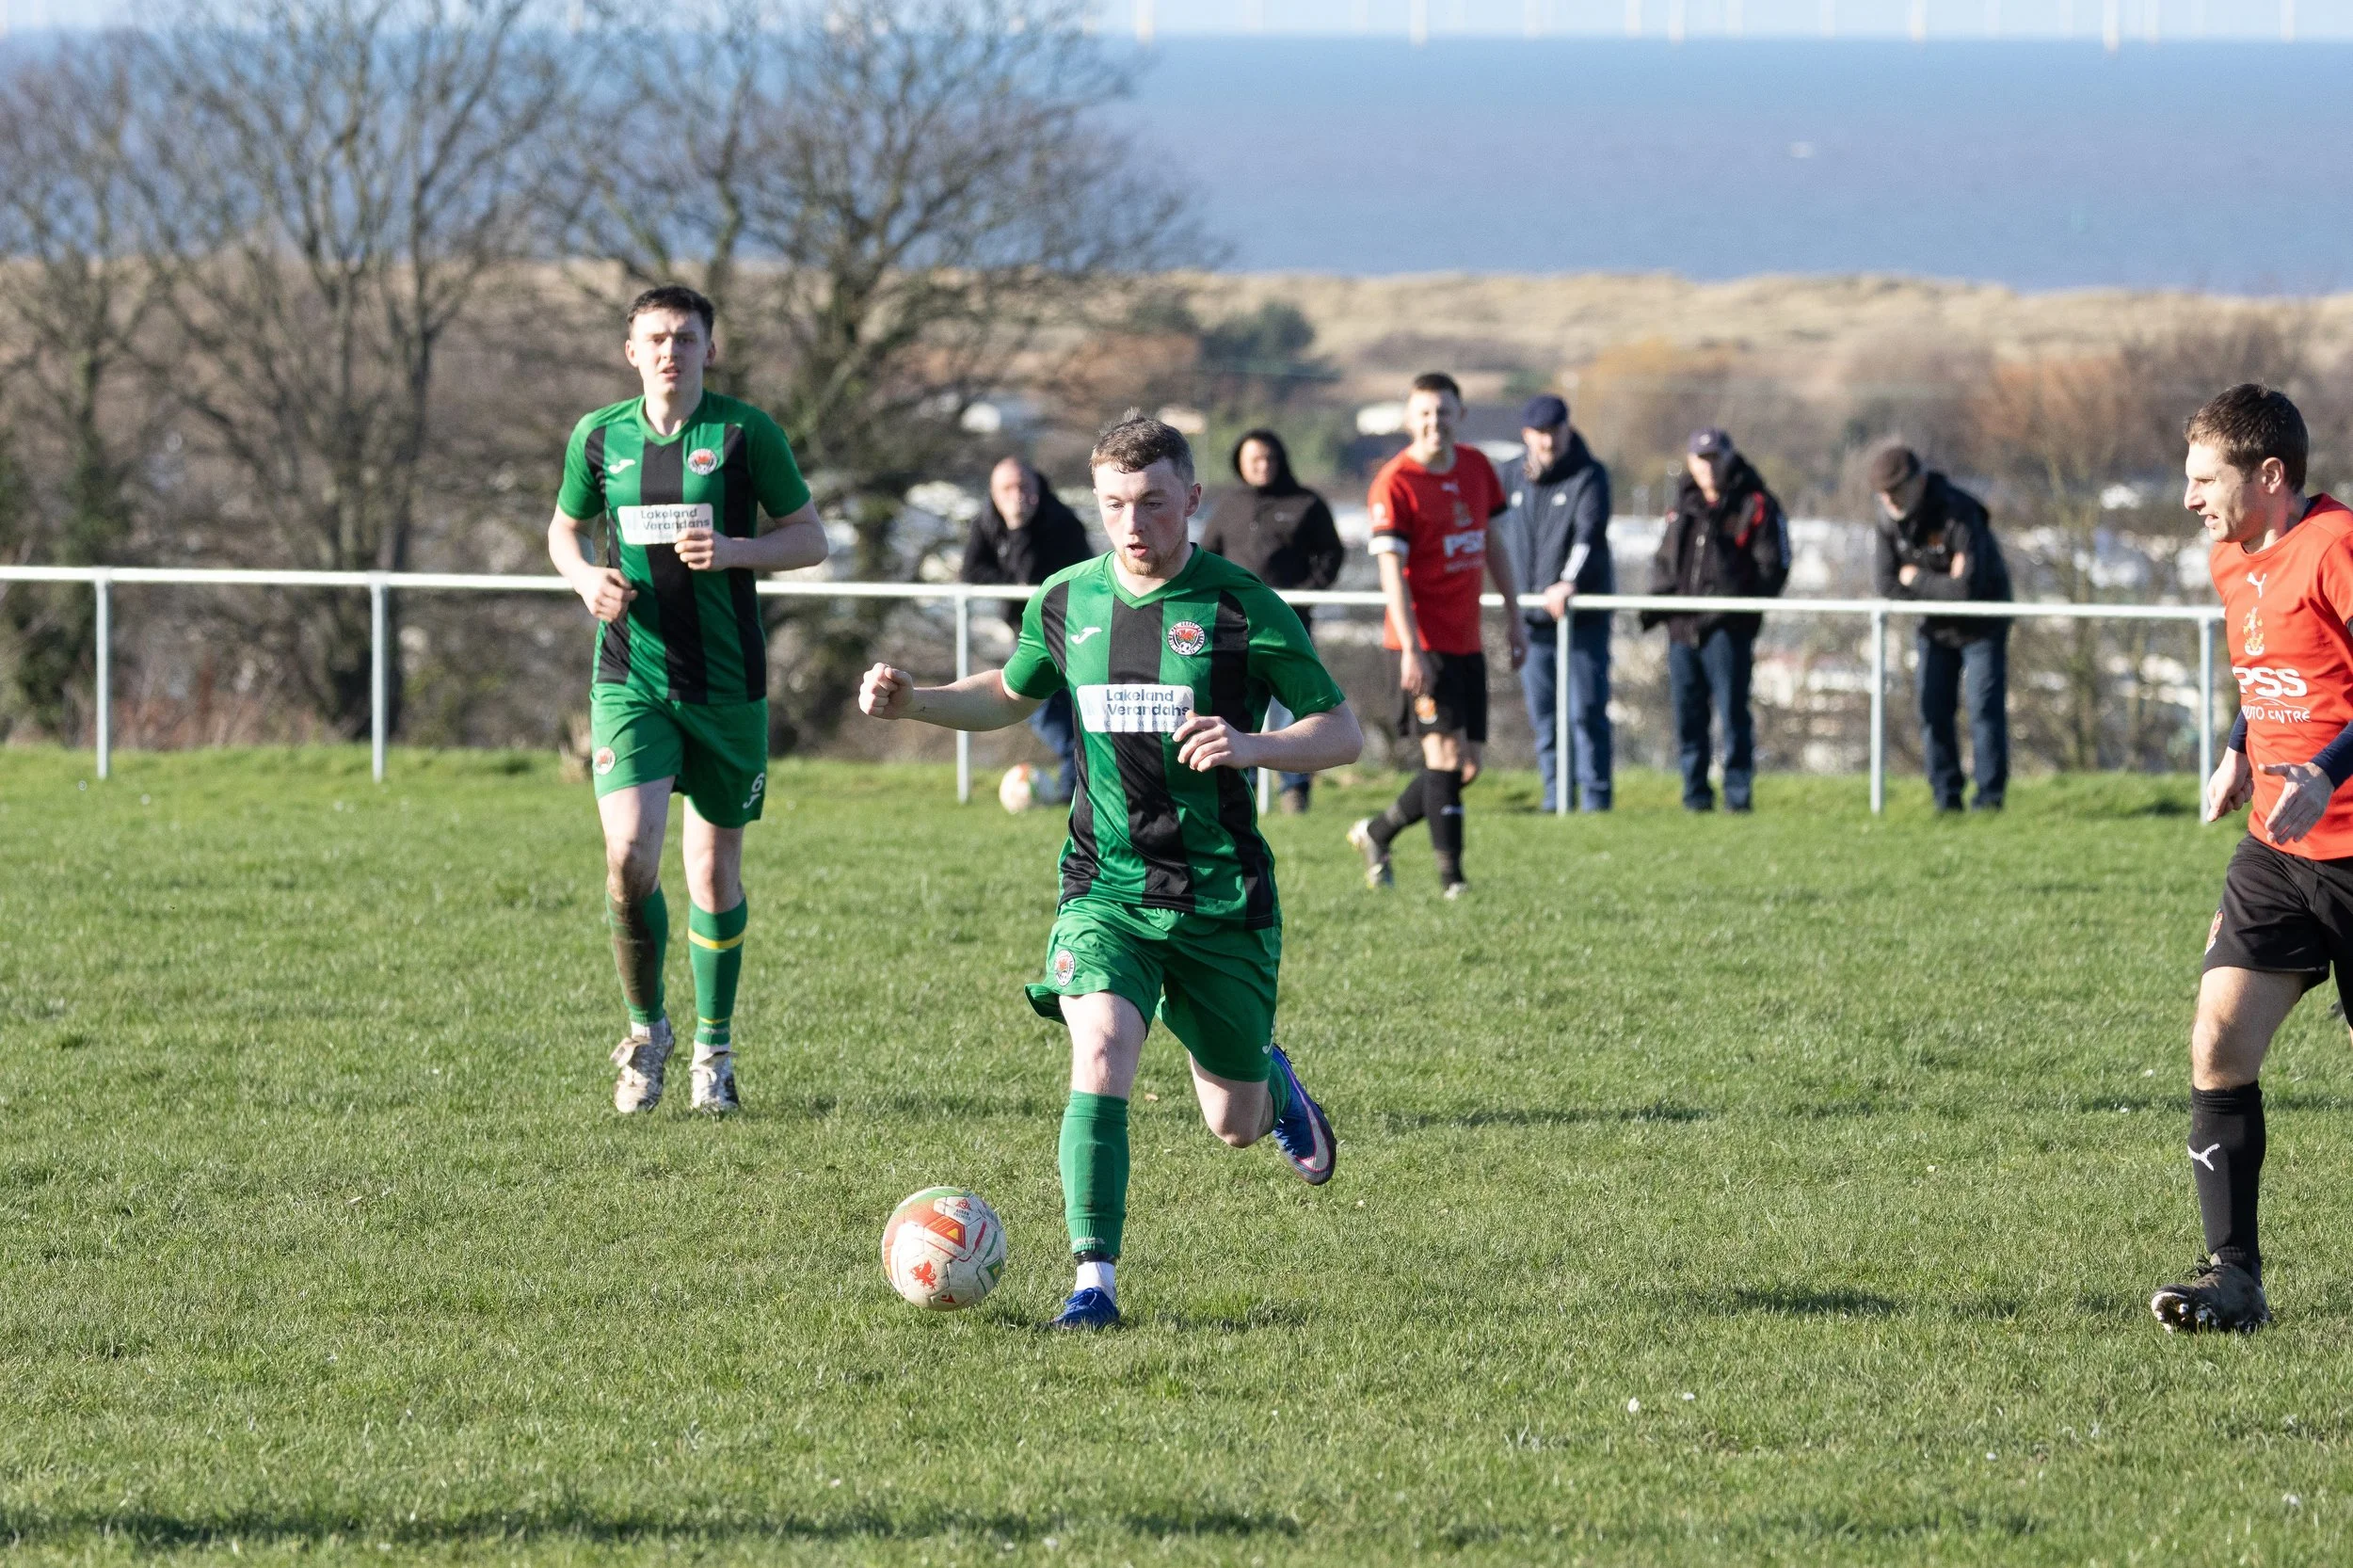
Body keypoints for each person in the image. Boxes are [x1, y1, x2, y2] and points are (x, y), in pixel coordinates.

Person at [857, 412, 1362, 1331]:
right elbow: (1011, 691)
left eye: (1154, 503)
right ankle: (1094, 1284)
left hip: (1219, 899)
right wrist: (917, 702)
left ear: (1193, 501)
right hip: (1106, 889)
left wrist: (1249, 743)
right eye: (1116, 505)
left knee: (1233, 1122)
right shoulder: (1064, 598)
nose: (1133, 525)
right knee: (1097, 1053)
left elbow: (1341, 729)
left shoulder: (1242, 606)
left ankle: (1273, 1083)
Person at [548, 283, 830, 1114]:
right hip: (630, 676)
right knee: (629, 860)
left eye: (686, 337)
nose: (671, 351)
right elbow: (564, 528)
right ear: (631, 351)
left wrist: (739, 547)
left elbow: (810, 536)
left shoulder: (746, 434)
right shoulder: (598, 438)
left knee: (712, 873)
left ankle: (715, 1048)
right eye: (656, 338)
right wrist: (581, 578)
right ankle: (645, 1034)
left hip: (728, 685)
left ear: (711, 347)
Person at [2155, 384, 2353, 1335]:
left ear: (2268, 475)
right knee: (2219, 1040)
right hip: (2278, 847)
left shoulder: (2336, 547)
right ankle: (2232, 1279)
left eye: (2205, 478)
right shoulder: (2232, 559)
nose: (2190, 497)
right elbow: (2274, 664)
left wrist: (2327, 765)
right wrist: (2242, 742)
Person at [1347, 372, 1528, 897]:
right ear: (1409, 419)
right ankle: (1454, 882)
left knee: (1464, 766)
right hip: (1418, 644)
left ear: (1460, 416)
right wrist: (1413, 650)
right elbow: (1392, 577)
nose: (1434, 423)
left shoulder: (1477, 468)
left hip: (1466, 641)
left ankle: (1377, 832)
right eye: (1424, 413)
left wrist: (1515, 616)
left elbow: (1493, 543)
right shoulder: (1395, 483)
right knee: (1443, 760)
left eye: (1444, 412)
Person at [1641, 428, 1789, 812]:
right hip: (1681, 627)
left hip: (1728, 629)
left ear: (1729, 458)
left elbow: (1773, 567)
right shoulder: (1682, 504)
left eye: (1714, 458)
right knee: (1688, 718)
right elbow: (1665, 560)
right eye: (1700, 459)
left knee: (1732, 714)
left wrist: (1737, 606)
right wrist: (1658, 605)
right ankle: (1695, 796)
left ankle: (1737, 798)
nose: (1708, 468)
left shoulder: (1755, 504)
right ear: (1690, 462)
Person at [1202, 429, 1344, 813]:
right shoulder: (1228, 505)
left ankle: (1295, 789)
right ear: (1240, 465)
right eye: (1253, 460)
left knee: (1294, 704)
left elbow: (1331, 554)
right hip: (1230, 625)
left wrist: (1306, 591)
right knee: (1237, 698)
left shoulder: (1306, 503)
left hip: (1289, 624)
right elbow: (1206, 554)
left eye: (1268, 459)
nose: (1262, 466)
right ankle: (1240, 780)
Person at [1871, 443, 2014, 812]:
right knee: (1931, 709)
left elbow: (1967, 590)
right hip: (1934, 627)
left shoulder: (1960, 512)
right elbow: (1886, 585)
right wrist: (1938, 588)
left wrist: (1915, 577)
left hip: (1983, 624)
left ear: (1918, 481)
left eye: (1895, 491)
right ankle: (1945, 798)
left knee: (1983, 709)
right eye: (1883, 494)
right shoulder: (1887, 520)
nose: (1889, 500)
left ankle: (1989, 801)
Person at [1491, 393, 1613, 812]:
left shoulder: (1589, 476)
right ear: (1526, 435)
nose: (1548, 442)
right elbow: (1491, 534)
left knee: (1586, 713)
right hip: (1531, 621)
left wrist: (1567, 583)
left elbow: (1588, 536)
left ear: (1567, 429)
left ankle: (1596, 802)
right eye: (1540, 434)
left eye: (1555, 432)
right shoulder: (1509, 476)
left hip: (1581, 620)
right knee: (1546, 719)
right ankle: (1555, 797)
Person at [961, 456, 1094, 803]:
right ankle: (1072, 791)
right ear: (993, 492)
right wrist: (1010, 580)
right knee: (1037, 706)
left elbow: (1044, 579)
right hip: (1024, 633)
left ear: (1037, 488)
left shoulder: (1062, 522)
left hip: (1070, 631)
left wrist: (1019, 529)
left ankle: (1072, 793)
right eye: (1007, 488)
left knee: (1054, 710)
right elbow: (972, 571)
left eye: (1023, 487)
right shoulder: (987, 520)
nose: (1016, 495)